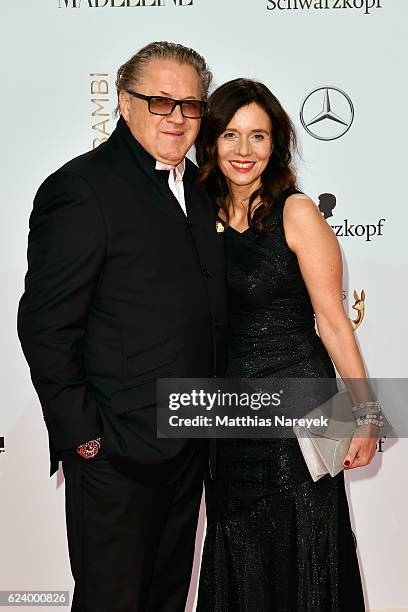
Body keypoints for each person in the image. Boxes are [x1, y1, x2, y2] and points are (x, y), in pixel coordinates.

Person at [17, 42, 227, 612]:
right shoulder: (82, 189)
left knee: (164, 601)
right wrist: (84, 437)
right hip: (115, 455)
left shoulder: (202, 192)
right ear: (124, 102)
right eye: (160, 102)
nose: (178, 118)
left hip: (188, 449)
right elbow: (44, 325)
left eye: (191, 105)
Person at [195, 78, 379, 611]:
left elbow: (334, 322)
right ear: (211, 141)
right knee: (240, 547)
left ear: (276, 144)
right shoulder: (195, 217)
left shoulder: (295, 212)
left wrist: (366, 414)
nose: (244, 150)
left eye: (258, 136)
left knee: (307, 543)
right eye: (231, 135)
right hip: (229, 415)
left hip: (305, 409)